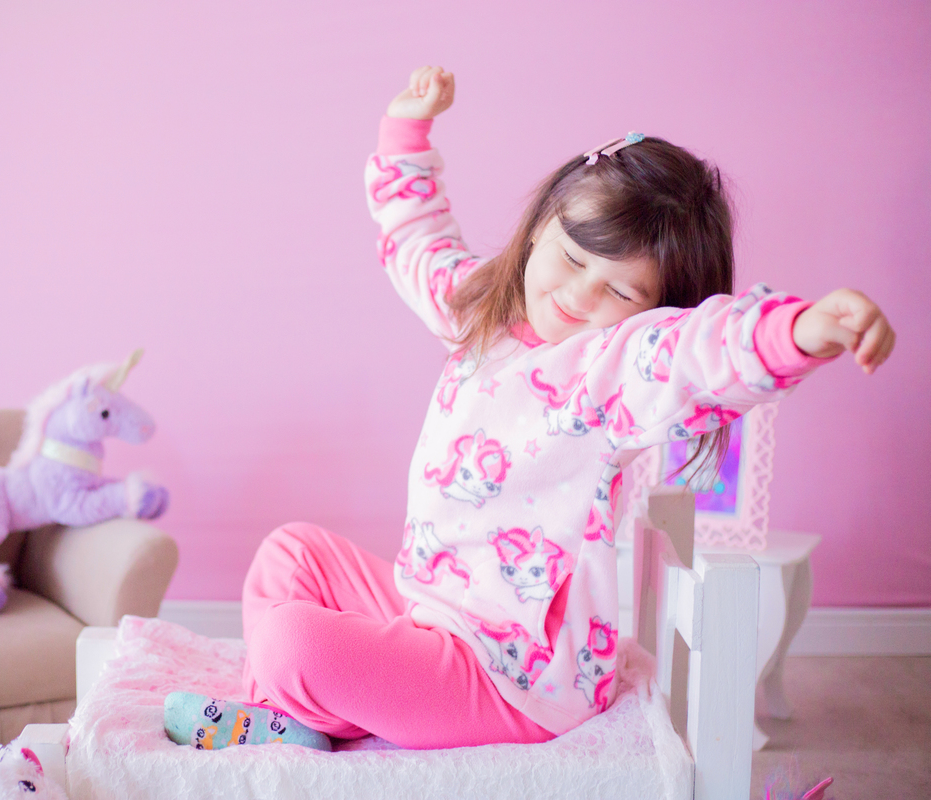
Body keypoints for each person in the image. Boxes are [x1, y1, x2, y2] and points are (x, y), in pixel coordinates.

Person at [165, 66, 895, 751]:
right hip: (431, 601)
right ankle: (293, 712)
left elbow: (704, 352)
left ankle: (300, 703)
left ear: (654, 312)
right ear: (542, 225)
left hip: (513, 675)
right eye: (574, 260)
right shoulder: (485, 312)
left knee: (297, 641)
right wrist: (405, 136)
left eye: (621, 292)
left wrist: (799, 331)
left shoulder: (612, 371)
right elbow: (419, 239)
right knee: (291, 552)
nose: (579, 298)